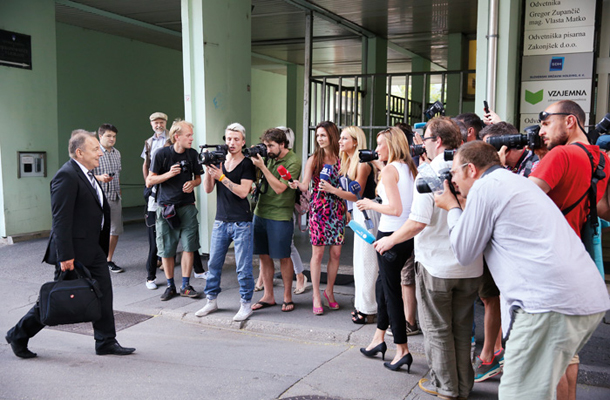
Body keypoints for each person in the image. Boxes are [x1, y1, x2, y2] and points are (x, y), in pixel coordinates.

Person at [435, 140, 609, 399]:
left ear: (471, 169)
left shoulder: (486, 187)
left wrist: (452, 208)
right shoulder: (514, 181)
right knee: (538, 390)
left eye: (454, 174)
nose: (453, 182)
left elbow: (464, 251)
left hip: (546, 305)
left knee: (518, 393)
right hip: (582, 300)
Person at [375, 117, 482, 398]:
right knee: (461, 329)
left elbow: (417, 222)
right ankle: (463, 385)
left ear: (440, 142)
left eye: (426, 139)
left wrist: (390, 240)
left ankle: (446, 387)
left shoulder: (430, 172)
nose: (422, 144)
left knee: (437, 330)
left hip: (437, 265)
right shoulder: (472, 170)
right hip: (470, 265)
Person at [5, 130, 135, 357]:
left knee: (104, 292)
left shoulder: (86, 173)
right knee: (56, 298)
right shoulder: (66, 176)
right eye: (95, 149)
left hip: (92, 248)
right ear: (79, 152)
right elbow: (61, 219)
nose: (100, 154)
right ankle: (18, 335)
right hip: (73, 252)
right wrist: (65, 256)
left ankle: (105, 341)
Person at [529, 100, 610, 400]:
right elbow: (602, 209)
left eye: (546, 122)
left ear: (571, 122)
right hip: (578, 261)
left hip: (549, 263)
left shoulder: (560, 154)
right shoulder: (600, 158)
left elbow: (519, 203)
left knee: (552, 353)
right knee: (568, 351)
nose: (541, 131)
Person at [355, 126, 418, 371]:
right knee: (383, 285)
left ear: (391, 146)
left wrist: (371, 203)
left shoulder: (392, 170)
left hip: (391, 233)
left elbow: (395, 208)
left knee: (391, 292)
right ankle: (378, 338)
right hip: (405, 235)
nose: (376, 148)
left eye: (380, 144)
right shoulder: (407, 167)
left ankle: (401, 349)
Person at [195, 123, 256, 322]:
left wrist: (222, 177)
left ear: (243, 141)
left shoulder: (247, 163)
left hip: (241, 222)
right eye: (229, 139)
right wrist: (209, 171)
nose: (232, 143)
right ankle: (211, 300)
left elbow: (243, 192)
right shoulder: (219, 160)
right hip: (221, 220)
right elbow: (208, 189)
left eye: (236, 139)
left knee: (243, 266)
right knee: (213, 263)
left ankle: (246, 304)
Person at [320, 126, 380, 324]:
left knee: (368, 262)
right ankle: (362, 306)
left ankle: (369, 309)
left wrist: (332, 190)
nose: (340, 141)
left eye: (344, 138)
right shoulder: (348, 162)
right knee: (360, 262)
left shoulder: (363, 164)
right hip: (359, 214)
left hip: (368, 213)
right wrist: (347, 210)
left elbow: (357, 194)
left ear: (355, 141)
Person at [289, 121, 345, 315]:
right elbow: (305, 186)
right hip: (320, 209)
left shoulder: (342, 158)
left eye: (323, 135)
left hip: (337, 208)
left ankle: (329, 291)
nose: (320, 139)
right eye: (318, 136)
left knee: (336, 253)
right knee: (318, 254)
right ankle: (315, 294)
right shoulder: (314, 159)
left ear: (332, 135)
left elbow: (346, 185)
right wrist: (296, 184)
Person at [146, 120, 203, 301]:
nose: (191, 139)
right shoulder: (161, 154)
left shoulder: (192, 154)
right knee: (166, 249)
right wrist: (169, 174)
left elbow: (199, 179)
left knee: (189, 247)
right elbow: (150, 181)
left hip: (187, 207)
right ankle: (170, 286)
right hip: (166, 208)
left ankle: (185, 285)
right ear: (177, 137)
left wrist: (192, 184)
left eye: (191, 135)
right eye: (188, 135)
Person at [251, 128, 301, 312]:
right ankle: (268, 296)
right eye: (265, 146)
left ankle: (287, 296)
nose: (268, 149)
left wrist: (263, 167)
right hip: (261, 211)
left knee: (283, 257)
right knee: (263, 256)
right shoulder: (267, 156)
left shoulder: (293, 161)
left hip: (280, 215)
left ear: (282, 144)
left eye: (271, 146)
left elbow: (280, 188)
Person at [141, 112, 169, 289]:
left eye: (161, 122)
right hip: (154, 190)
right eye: (155, 122)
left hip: (169, 190)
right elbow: (145, 163)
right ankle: (150, 276)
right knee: (153, 233)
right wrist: (148, 183)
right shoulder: (148, 142)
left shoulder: (171, 140)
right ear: (151, 124)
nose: (158, 125)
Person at [93, 123, 124, 273]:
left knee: (115, 230)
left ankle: (108, 259)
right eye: (108, 136)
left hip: (114, 196)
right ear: (100, 136)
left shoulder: (117, 153)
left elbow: (118, 174)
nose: (112, 139)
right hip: (98, 198)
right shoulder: (94, 151)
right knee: (97, 230)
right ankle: (95, 260)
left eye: (114, 136)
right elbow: (85, 174)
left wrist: (119, 190)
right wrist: (100, 177)